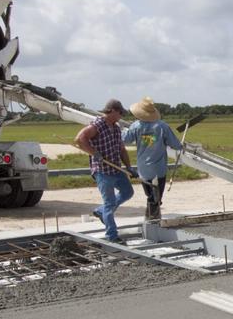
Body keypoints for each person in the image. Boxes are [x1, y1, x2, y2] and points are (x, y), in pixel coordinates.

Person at [74, 99, 135, 241]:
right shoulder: (97, 125)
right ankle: (112, 236)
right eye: (120, 112)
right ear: (112, 111)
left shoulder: (116, 127)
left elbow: (121, 149)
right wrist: (94, 152)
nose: (121, 115)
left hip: (116, 168)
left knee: (128, 192)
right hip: (102, 171)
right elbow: (80, 138)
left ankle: (101, 211)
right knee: (109, 203)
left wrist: (129, 167)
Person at [123, 97, 183, 221]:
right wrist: (181, 145)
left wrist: (121, 129)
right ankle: (153, 219)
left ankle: (151, 217)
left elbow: (125, 139)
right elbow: (175, 145)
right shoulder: (162, 126)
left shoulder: (136, 126)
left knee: (150, 195)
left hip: (144, 169)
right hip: (159, 168)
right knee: (156, 197)